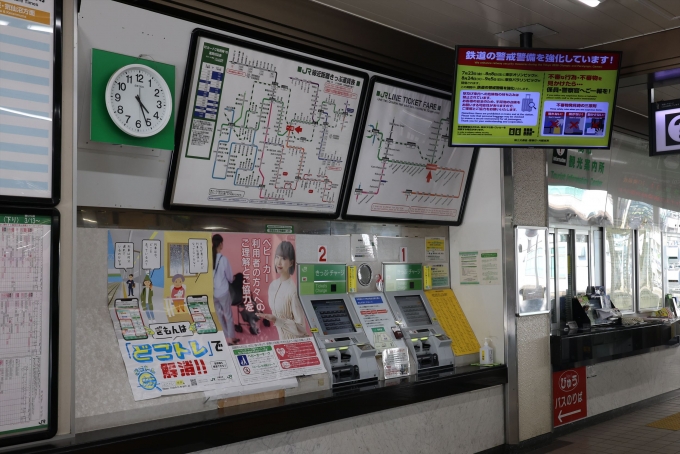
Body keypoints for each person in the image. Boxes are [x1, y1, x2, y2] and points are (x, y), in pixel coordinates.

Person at [261, 241, 307, 339]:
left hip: (295, 343)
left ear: (291, 262)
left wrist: (276, 320)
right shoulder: (273, 285)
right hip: (282, 342)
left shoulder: (293, 291)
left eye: (284, 258)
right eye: (277, 257)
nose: (278, 262)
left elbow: (301, 328)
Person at [213, 234, 239, 345]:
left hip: (213, 292)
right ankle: (231, 338)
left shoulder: (209, 259)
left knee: (219, 315)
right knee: (228, 315)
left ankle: (225, 337)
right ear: (220, 244)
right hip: (223, 292)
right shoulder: (223, 260)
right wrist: (232, 279)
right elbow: (229, 277)